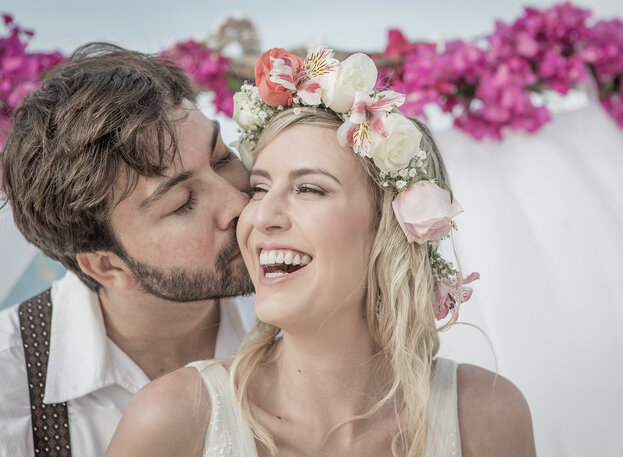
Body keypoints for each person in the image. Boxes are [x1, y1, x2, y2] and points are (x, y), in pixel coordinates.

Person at [105, 47, 535, 457]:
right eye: (258, 188)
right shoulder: (171, 421)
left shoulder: (486, 416)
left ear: (391, 228)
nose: (256, 216)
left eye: (309, 188)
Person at [0, 43, 254, 457]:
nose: (238, 204)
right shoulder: (9, 389)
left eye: (223, 158)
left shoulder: (297, 315)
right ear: (106, 266)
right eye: (183, 202)